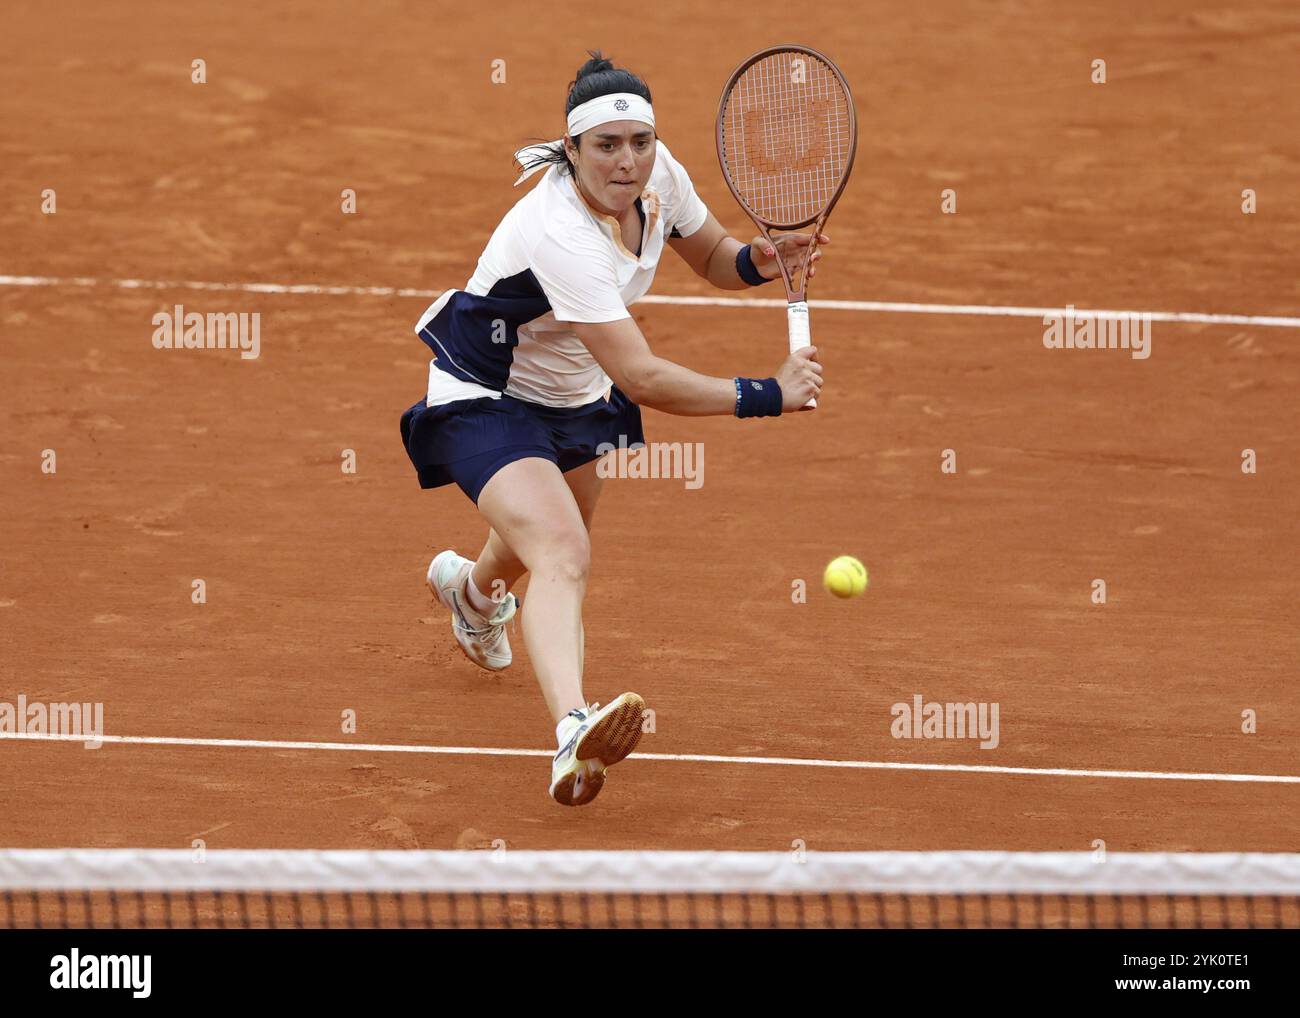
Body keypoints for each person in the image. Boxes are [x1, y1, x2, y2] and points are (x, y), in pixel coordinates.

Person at [399, 50, 827, 806]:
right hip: (484, 393)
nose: (627, 161)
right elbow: (644, 377)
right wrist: (767, 393)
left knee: (549, 534)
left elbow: (713, 258)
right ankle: (571, 730)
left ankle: (471, 596)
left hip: (574, 393)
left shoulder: (660, 177)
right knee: (562, 547)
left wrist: (761, 261)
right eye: (606, 146)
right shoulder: (557, 230)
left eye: (640, 141)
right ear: (571, 150)